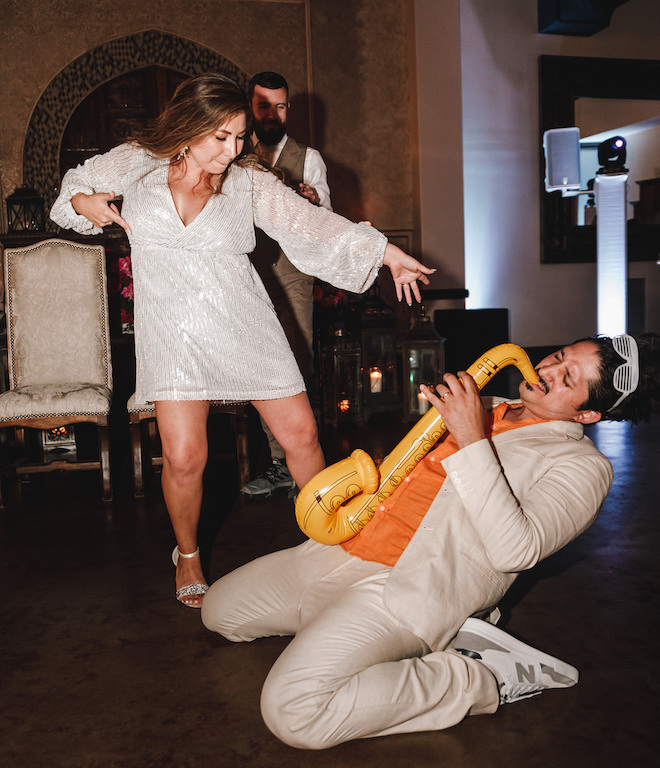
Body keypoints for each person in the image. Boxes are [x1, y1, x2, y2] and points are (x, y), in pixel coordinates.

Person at [49, 73, 433, 609]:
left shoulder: (247, 181)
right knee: (185, 458)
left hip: (245, 322)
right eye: (220, 138)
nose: (231, 151)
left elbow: (311, 224)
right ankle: (187, 555)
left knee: (301, 437)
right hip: (173, 329)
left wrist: (387, 253)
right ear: (188, 129)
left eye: (238, 137)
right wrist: (86, 202)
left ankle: (338, 541)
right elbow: (70, 194)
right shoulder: (136, 161)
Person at [201, 333, 659, 749]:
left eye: (568, 379)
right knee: (220, 611)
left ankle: (479, 678)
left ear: (587, 414)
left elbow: (517, 549)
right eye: (558, 357)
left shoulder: (584, 467)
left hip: (408, 588)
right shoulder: (488, 402)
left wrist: (468, 435)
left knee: (295, 712)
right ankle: (344, 632)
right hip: (344, 551)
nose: (546, 371)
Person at [241, 71, 331, 500]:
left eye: (280, 106)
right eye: (264, 106)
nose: (273, 114)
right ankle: (279, 463)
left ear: (287, 108)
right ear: (251, 106)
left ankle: (307, 467)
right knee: (262, 366)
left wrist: (312, 202)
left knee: (297, 363)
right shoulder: (234, 150)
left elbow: (327, 218)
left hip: (293, 273)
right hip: (248, 273)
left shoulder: (308, 157)